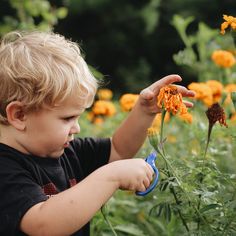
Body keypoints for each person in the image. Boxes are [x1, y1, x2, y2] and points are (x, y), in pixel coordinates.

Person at [0, 31, 195, 236]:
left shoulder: (66, 152)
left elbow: (119, 150)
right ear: (20, 115)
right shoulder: (5, 168)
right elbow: (43, 224)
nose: (77, 128)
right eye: (67, 118)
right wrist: (111, 176)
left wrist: (144, 111)